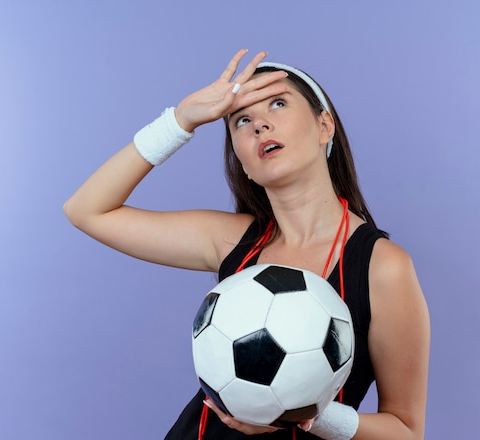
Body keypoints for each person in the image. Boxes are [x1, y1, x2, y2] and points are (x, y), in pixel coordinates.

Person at [64, 49, 430, 440]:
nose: (260, 125)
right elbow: (87, 210)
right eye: (242, 120)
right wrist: (180, 121)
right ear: (242, 163)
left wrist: (311, 416)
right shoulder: (230, 240)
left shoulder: (382, 266)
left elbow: (406, 430)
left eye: (277, 103)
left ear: (325, 126)